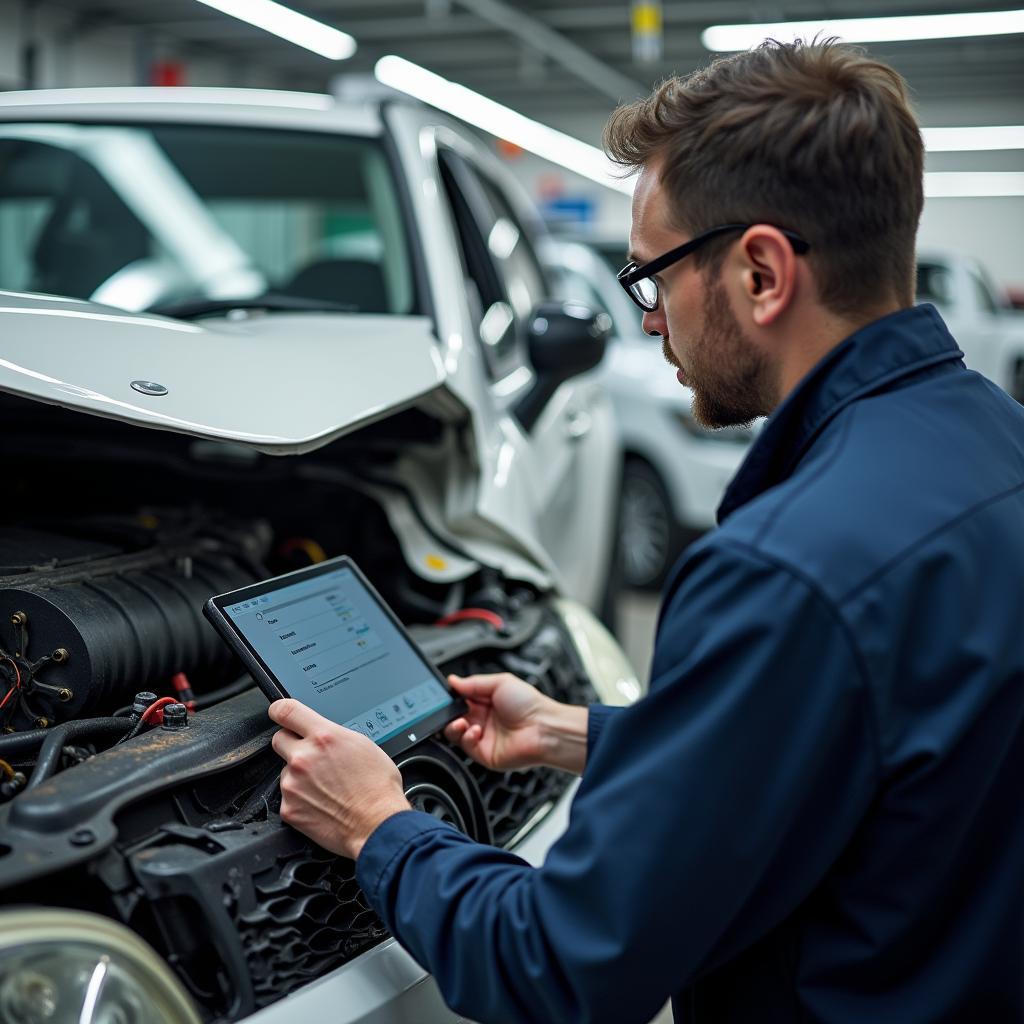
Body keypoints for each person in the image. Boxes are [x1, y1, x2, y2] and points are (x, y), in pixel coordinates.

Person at [268, 38, 1024, 1023]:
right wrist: (581, 735)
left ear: (760, 272)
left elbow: (561, 967)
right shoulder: (993, 443)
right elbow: (878, 744)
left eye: (652, 276)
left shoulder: (783, 570)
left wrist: (378, 825)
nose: (649, 321)